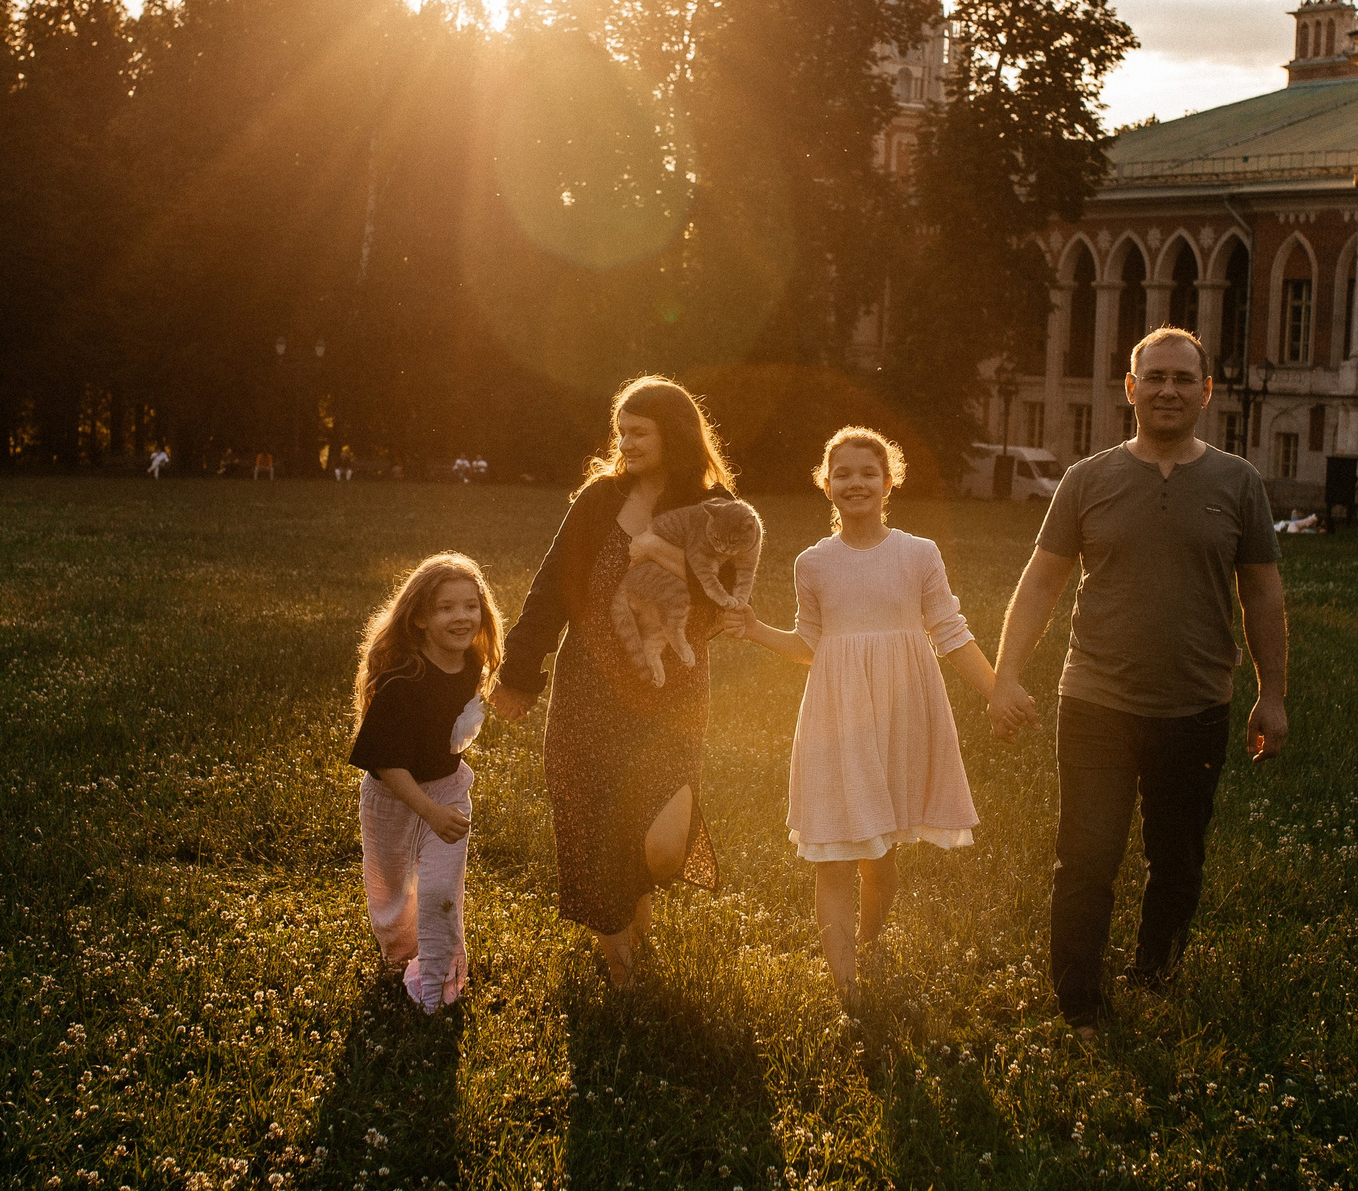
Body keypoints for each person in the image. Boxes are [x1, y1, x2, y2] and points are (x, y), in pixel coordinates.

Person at [987, 325, 1290, 1039]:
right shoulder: (1086, 480)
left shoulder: (1239, 482)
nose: (1167, 390)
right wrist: (1005, 675)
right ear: (1130, 388)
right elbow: (1040, 584)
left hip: (1197, 703)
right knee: (1086, 857)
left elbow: (1262, 594)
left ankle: (1155, 974)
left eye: (1183, 379)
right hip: (1095, 700)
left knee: (1178, 859)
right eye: (1154, 377)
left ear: (1206, 392)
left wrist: (1272, 695)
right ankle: (1078, 1003)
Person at [726, 427, 995, 1007]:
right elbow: (809, 643)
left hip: (900, 715)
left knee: (880, 855)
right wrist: (754, 629)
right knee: (834, 851)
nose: (856, 483)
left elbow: (949, 631)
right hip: (835, 719)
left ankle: (868, 946)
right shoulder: (813, 563)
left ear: (889, 481)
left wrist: (998, 691)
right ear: (826, 484)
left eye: (868, 473)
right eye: (842, 474)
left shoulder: (918, 554)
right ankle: (846, 989)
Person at [493, 376, 739, 987]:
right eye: (621, 431)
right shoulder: (598, 502)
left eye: (640, 432)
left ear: (674, 435)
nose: (626, 443)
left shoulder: (714, 508)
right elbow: (551, 588)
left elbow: (725, 595)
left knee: (661, 847)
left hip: (670, 696)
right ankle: (624, 975)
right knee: (592, 825)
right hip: (587, 688)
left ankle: (632, 906)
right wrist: (518, 673)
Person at [350, 553, 502, 1014]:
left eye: (471, 606)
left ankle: (438, 986)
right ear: (419, 618)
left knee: (438, 892)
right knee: (393, 893)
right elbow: (385, 763)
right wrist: (428, 811)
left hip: (448, 792)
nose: (462, 617)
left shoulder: (473, 662)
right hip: (394, 796)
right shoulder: (403, 680)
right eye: (446, 608)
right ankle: (402, 960)